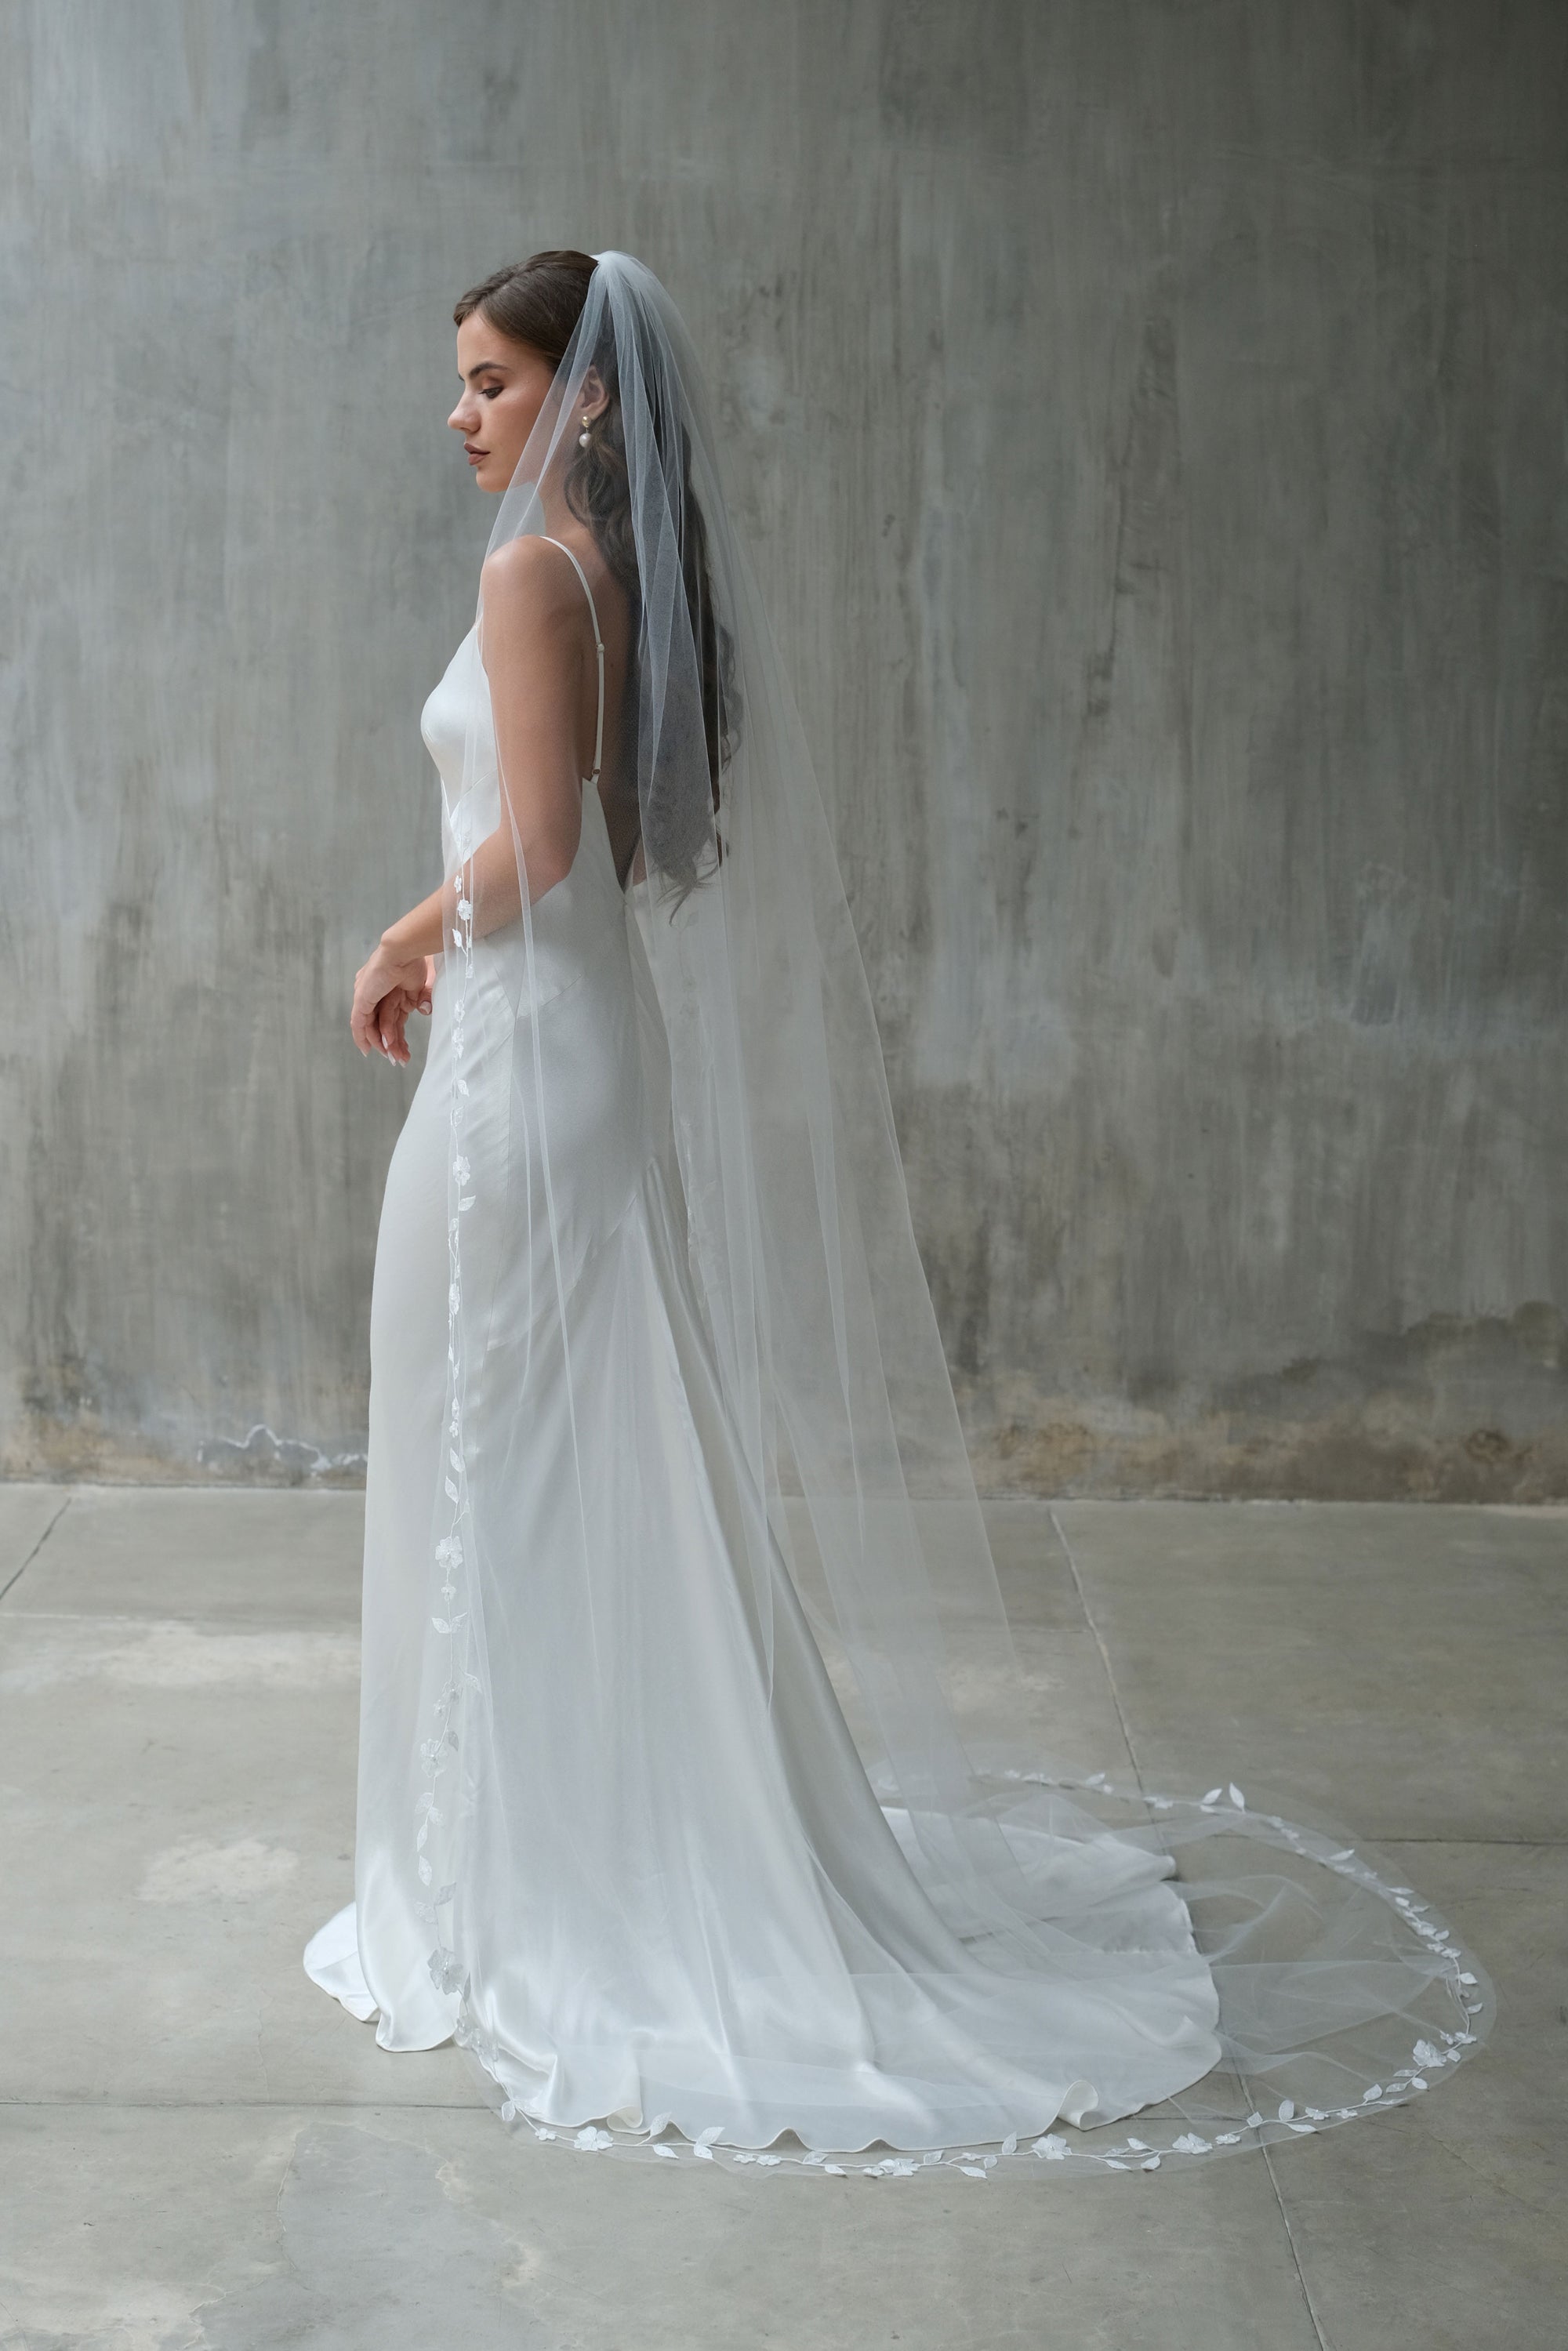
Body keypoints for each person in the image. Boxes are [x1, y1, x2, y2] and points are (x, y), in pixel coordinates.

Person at [304, 249, 1487, 2173]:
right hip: (575, 1052)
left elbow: (529, 848)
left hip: (522, 1069)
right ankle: (561, 1852)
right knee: (575, 1447)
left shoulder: (531, 575)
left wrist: (402, 933)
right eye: (460, 384)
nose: (463, 416)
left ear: (583, 398)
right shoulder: (613, 578)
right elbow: (601, 846)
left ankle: (518, 1883)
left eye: (492, 382)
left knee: (496, 1443)